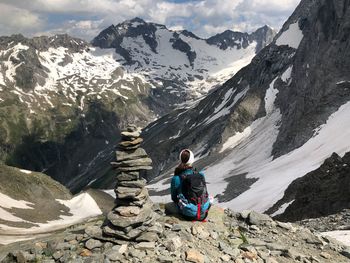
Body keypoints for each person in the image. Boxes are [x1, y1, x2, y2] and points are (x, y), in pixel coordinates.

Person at [170, 149, 211, 221]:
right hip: (203, 213)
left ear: (181, 160)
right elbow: (205, 193)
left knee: (169, 207)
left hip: (187, 214)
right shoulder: (200, 175)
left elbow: (174, 198)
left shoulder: (176, 178)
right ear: (192, 160)